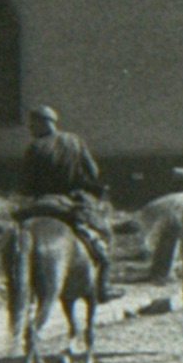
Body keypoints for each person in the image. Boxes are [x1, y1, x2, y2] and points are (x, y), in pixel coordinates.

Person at [19, 105, 120, 301]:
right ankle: (103, 287)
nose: (31, 130)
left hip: (41, 203)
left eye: (32, 125)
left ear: (43, 123)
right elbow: (93, 172)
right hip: (70, 201)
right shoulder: (74, 141)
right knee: (104, 235)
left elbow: (25, 184)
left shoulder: (33, 147)